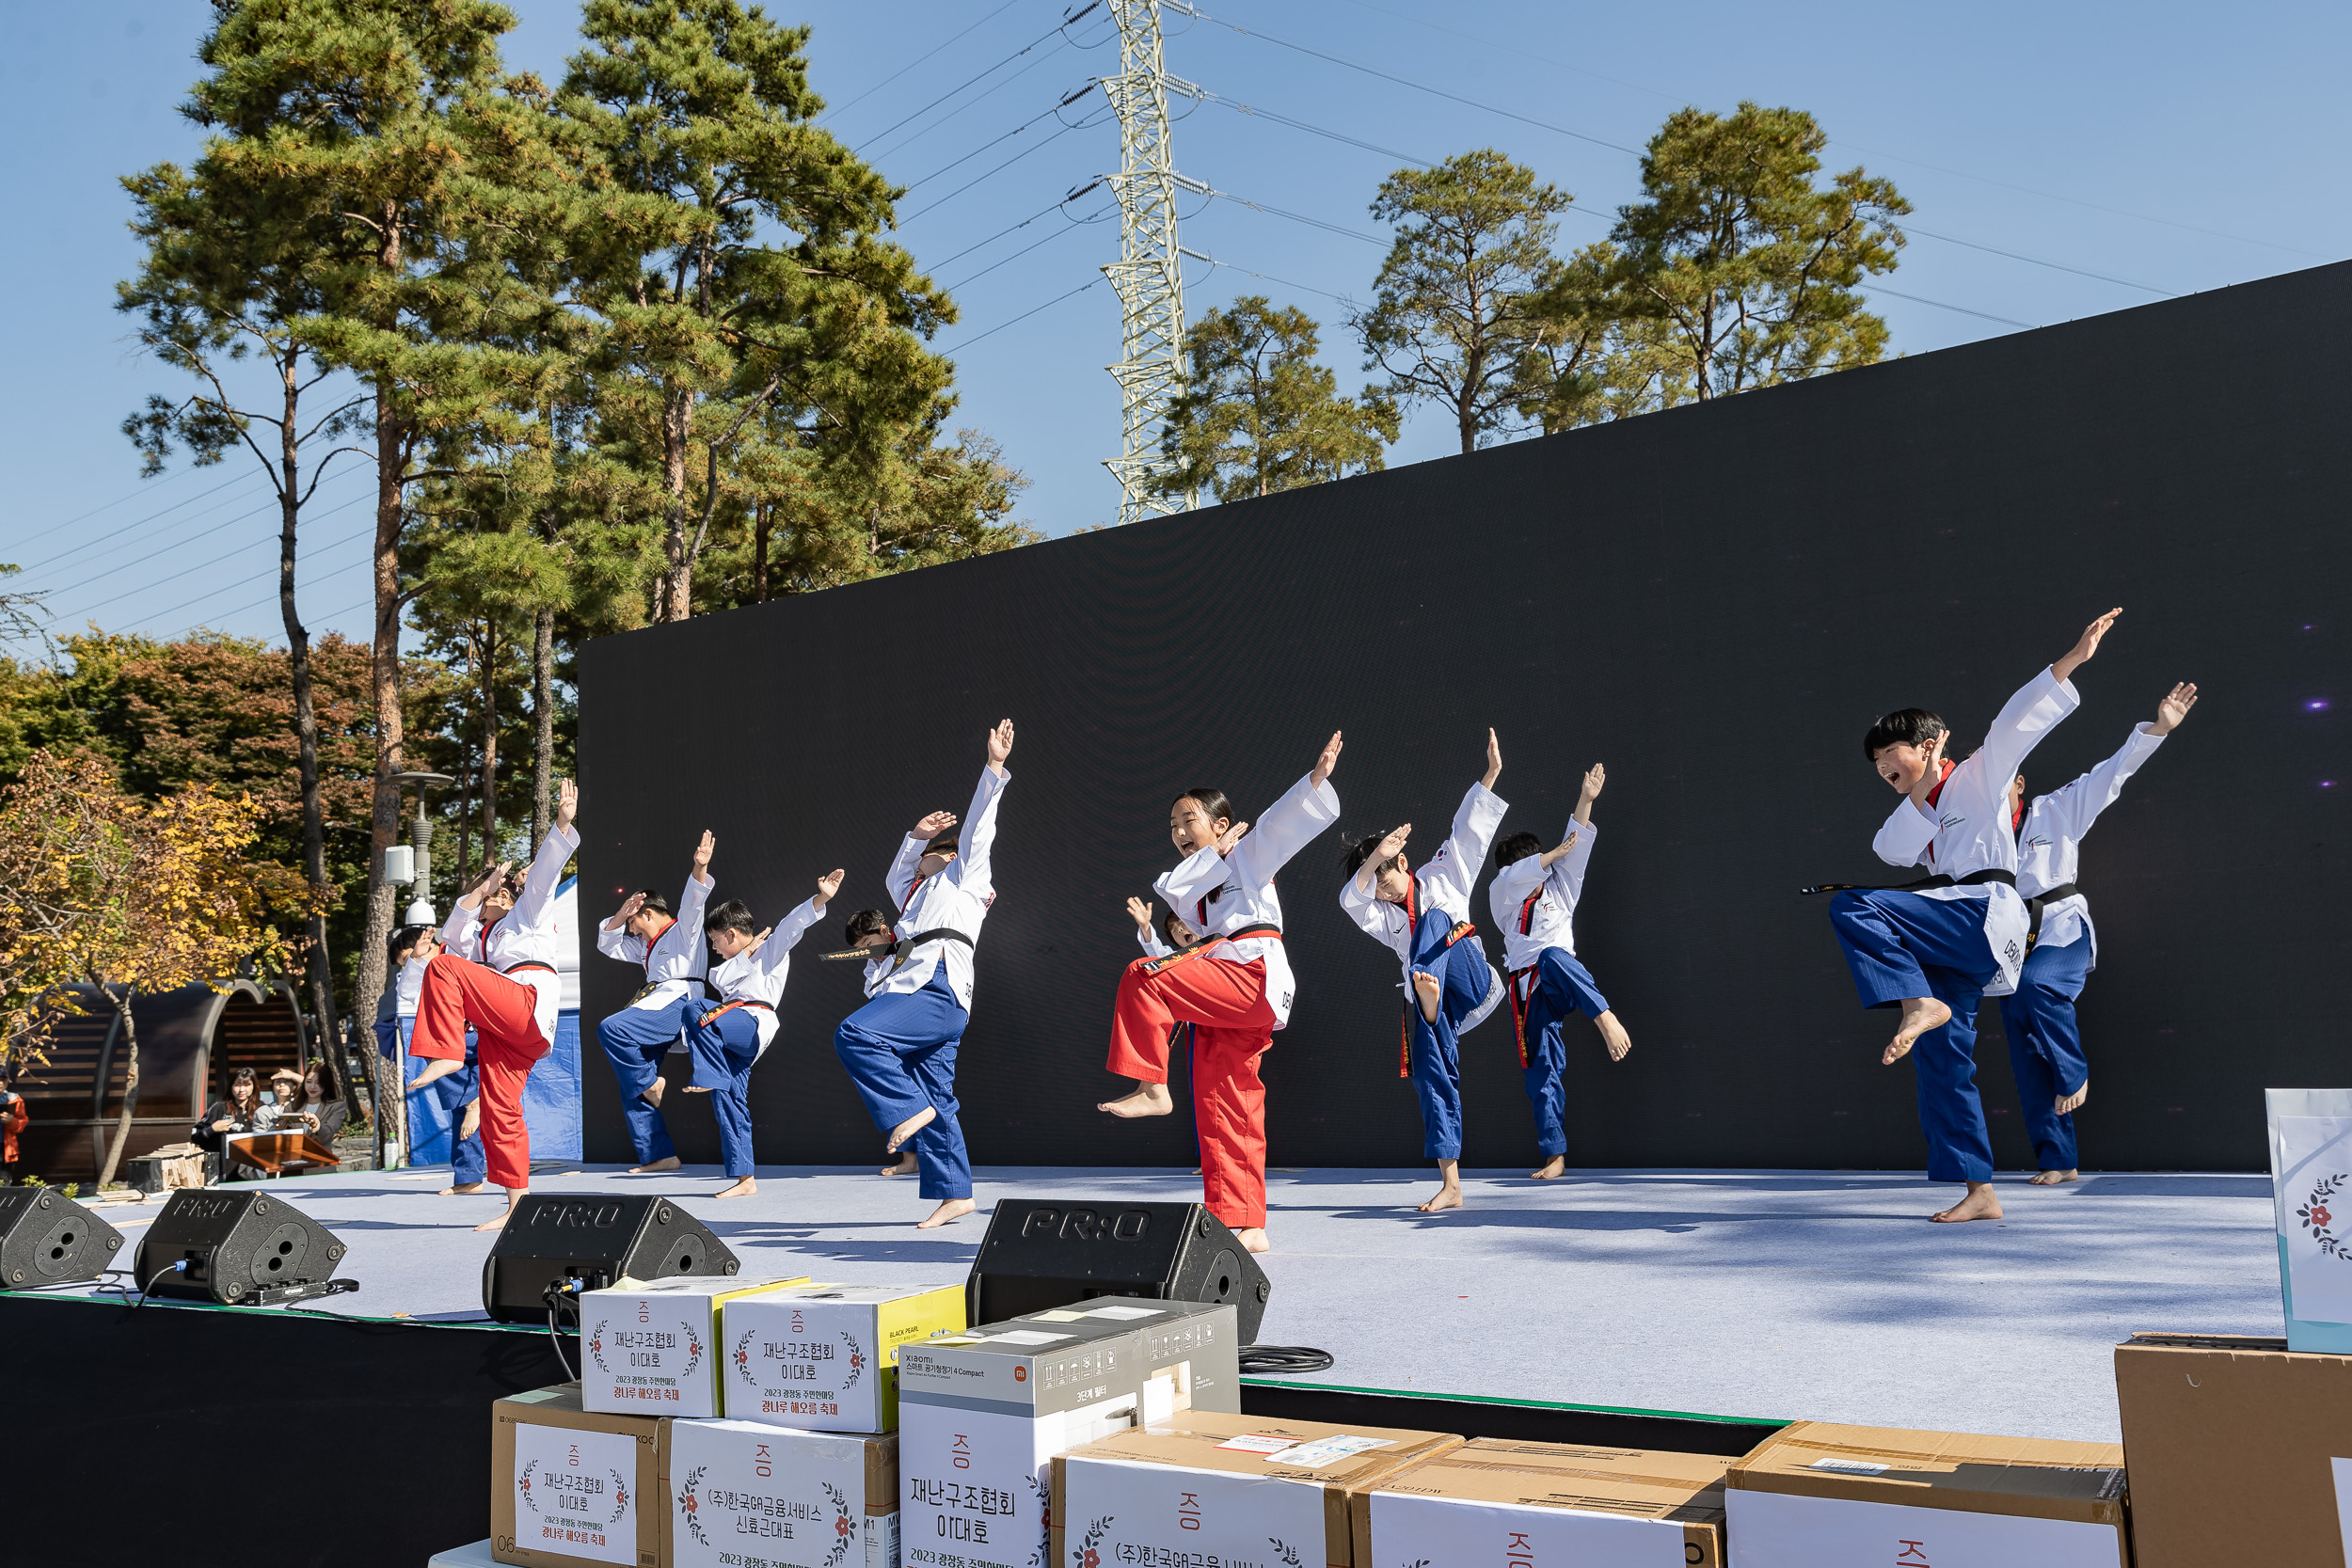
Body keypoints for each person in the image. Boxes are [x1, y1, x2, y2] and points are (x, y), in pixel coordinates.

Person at [1828, 609, 2120, 1224]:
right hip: (1954, 929)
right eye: (1877, 763)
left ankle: (1913, 1000)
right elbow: (1891, 850)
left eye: (1892, 753)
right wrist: (1918, 792)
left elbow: (2016, 723)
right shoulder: (1923, 809)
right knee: (1942, 1057)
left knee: (1853, 903)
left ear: (1930, 743)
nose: (1884, 767)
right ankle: (1980, 1189)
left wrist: (2069, 661)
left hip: (1984, 912)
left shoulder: (1982, 775)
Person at [1097, 731, 1346, 1256]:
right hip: (1227, 989)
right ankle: (1245, 1223)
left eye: (1189, 821)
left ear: (1222, 824)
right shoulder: (1199, 887)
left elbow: (1281, 827)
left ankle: (1152, 1087)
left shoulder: (1251, 854)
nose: (1179, 831)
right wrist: (1212, 853)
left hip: (1251, 974)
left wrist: (1315, 780)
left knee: (1144, 976)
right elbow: (1180, 886)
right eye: (1173, 826)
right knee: (1225, 1103)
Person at [2002, 681, 2198, 1184]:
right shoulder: (1975, 838)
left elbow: (2111, 774)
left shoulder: (2056, 809)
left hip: (2063, 929)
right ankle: (2058, 1160)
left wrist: (2157, 729)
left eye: (2000, 780)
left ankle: (2074, 1071)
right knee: (2025, 1054)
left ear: (2019, 782)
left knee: (2037, 989)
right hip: (2008, 943)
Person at [834, 719, 1015, 1230]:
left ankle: (905, 1110)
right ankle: (955, 1192)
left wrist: (994, 768)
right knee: (939, 1095)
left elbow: (979, 828)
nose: (917, 863)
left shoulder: (966, 877)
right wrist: (916, 834)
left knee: (856, 1033)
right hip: (934, 993)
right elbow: (897, 874)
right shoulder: (913, 897)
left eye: (929, 854)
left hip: (938, 984)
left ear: (949, 856)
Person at [1338, 729, 1509, 1214]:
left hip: (1469, 981)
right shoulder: (1379, 912)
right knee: (1432, 1076)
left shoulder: (1440, 875)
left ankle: (1426, 992)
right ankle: (1451, 1184)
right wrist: (1371, 860)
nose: (1382, 891)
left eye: (1386, 875)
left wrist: (1491, 775)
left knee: (1435, 918)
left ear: (1405, 863)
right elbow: (1350, 898)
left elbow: (1469, 834)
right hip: (1429, 999)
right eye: (1374, 882)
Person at [407, 778, 581, 1231]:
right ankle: (516, 1205)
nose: (505, 895)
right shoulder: (477, 938)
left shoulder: (529, 913)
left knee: (442, 969)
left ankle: (445, 1054)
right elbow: (453, 930)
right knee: (501, 1109)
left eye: (508, 892)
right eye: (497, 894)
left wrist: (562, 822)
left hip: (526, 1001)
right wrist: (485, 885)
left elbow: (542, 876)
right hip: (507, 1031)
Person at [1489, 762, 1633, 1180]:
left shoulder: (1561, 887)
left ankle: (1604, 1016)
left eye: (1544, 866)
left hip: (1563, 977)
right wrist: (1546, 856)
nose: (1540, 874)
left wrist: (1585, 800)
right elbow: (1509, 879)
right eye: (1533, 867)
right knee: (1540, 1070)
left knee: (1553, 955)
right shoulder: (1504, 900)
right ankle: (1555, 1155)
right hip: (1527, 990)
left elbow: (1577, 847)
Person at [678, 868, 841, 1199]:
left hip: (752, 1021)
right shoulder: (736, 961)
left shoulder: (772, 950)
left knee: (695, 1009)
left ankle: (709, 1074)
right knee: (729, 1098)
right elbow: (720, 982)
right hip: (732, 1027)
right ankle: (744, 1178)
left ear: (732, 934)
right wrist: (747, 954)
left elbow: (791, 926)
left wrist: (820, 898)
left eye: (715, 940)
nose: (714, 947)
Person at [592, 832, 717, 1175]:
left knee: (612, 1028)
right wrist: (620, 915)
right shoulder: (645, 947)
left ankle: (649, 1082)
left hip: (680, 1001)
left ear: (647, 913)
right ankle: (659, 1155)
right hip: (657, 1003)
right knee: (630, 1080)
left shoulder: (683, 931)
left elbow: (694, 902)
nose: (631, 931)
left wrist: (699, 867)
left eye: (633, 922)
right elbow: (608, 944)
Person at [195, 1068, 262, 1176]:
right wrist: (211, 1129)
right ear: (231, 1086)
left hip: (254, 1172)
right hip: (223, 1173)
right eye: (237, 1085)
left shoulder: (262, 1109)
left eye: (247, 1085)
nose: (241, 1090)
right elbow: (195, 1136)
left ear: (254, 1086)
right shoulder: (219, 1108)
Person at [293, 1063, 348, 1144]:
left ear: (326, 1084)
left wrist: (318, 1126)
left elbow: (328, 1135)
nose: (312, 1086)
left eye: (318, 1083)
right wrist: (280, 1128)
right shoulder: (293, 1105)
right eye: (309, 1082)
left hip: (319, 1154)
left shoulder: (337, 1107)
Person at [0, 1066, 25, 1185]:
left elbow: (22, 1124)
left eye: (3, 1079)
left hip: (5, 1149)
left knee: (4, 1183)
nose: (0, 1083)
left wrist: (11, 1120)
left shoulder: (14, 1099)